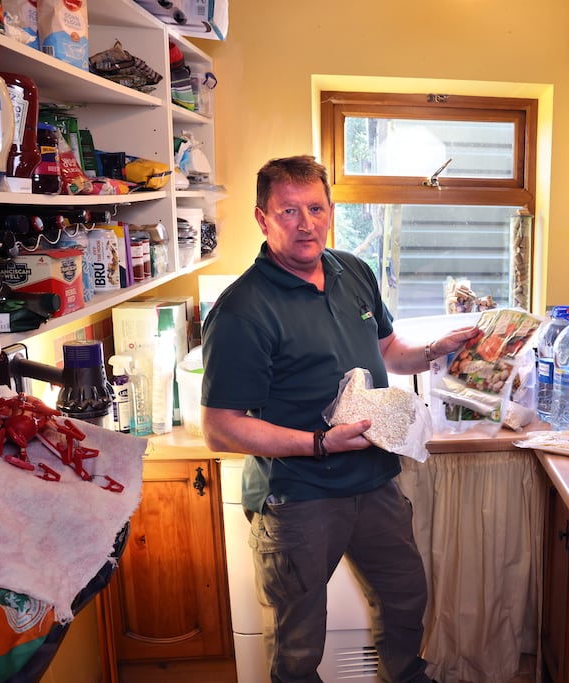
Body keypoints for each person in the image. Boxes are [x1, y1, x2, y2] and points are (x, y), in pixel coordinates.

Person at [201, 155, 476, 683]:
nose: (305, 223)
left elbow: (389, 350)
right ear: (262, 219)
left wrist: (438, 349)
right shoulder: (242, 310)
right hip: (298, 496)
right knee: (298, 640)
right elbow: (220, 427)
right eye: (288, 211)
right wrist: (321, 444)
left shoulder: (353, 271)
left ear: (331, 211)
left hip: (375, 482)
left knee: (404, 600)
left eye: (315, 208)